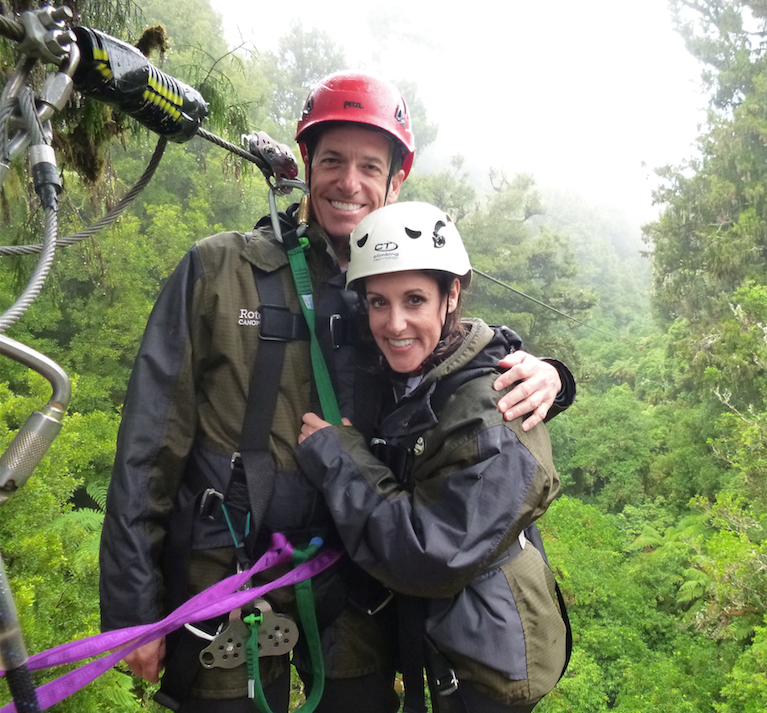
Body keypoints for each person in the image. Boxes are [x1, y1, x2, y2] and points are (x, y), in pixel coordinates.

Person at [98, 71, 573, 713]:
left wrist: (549, 373)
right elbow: (148, 448)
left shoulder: (400, 285)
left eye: (369, 167)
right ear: (306, 163)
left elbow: (461, 367)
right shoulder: (220, 272)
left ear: (393, 181)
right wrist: (132, 607)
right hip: (228, 575)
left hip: (359, 582)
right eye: (332, 161)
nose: (349, 183)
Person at [296, 201, 569, 713]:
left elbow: (428, 554)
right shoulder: (415, 376)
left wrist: (339, 457)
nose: (394, 323)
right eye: (378, 302)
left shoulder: (497, 413)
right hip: (441, 641)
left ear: (451, 297)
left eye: (415, 299)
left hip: (488, 666)